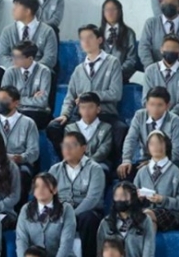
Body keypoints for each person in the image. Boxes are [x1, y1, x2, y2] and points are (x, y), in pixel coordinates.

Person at [50, 25, 126, 163]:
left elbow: (116, 93)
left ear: (99, 40)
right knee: (53, 127)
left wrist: (90, 96)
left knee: (121, 129)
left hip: (104, 113)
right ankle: (69, 161)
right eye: (82, 39)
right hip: (81, 114)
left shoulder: (112, 62)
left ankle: (111, 166)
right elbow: (70, 96)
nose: (86, 41)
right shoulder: (79, 69)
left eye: (90, 37)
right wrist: (65, 114)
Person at [49, 131, 106, 257]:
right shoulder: (55, 170)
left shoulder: (95, 169)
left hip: (85, 212)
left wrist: (71, 215)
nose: (67, 149)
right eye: (64, 145)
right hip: (61, 211)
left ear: (83, 148)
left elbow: (92, 199)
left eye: (72, 145)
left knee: (89, 219)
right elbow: (49, 194)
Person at [15, 172, 79, 257]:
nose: (40, 189)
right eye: (37, 186)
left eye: (45, 186)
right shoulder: (26, 210)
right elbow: (21, 241)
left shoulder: (66, 209)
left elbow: (66, 243)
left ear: (54, 190)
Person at [0, 86, 38, 201]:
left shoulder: (29, 123)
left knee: (23, 173)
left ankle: (17, 208)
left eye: (4, 99)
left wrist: (21, 158)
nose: (0, 103)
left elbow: (34, 152)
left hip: (18, 163)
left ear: (16, 103)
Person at [98, 181, 156, 257]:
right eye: (117, 196)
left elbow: (149, 252)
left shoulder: (145, 221)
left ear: (132, 198)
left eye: (124, 196)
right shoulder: (106, 223)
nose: (120, 199)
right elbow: (100, 254)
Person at [123, 85, 179, 171]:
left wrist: (154, 163)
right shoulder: (139, 116)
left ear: (167, 106)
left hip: (169, 162)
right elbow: (131, 139)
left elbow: (177, 153)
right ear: (146, 104)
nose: (155, 109)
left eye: (160, 105)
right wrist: (126, 160)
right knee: (125, 173)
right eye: (151, 104)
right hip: (144, 160)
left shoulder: (176, 122)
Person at [0, 0, 58, 78]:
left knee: (49, 75)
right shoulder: (7, 31)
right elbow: (2, 55)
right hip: (13, 70)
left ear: (27, 11)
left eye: (17, 6)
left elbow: (50, 58)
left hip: (38, 71)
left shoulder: (47, 31)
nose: (13, 10)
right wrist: (17, 68)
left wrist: (31, 69)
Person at [133, 131, 179, 231]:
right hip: (145, 212)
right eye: (152, 143)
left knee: (146, 215)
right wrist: (138, 199)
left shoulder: (175, 171)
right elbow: (133, 199)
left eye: (160, 143)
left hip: (169, 213)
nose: (156, 146)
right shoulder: (141, 172)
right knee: (148, 220)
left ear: (166, 145)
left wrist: (163, 199)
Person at [0, 41, 53, 129]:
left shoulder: (44, 72)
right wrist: (32, 99)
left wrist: (16, 100)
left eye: (18, 57)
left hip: (37, 112)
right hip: (15, 111)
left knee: (25, 120)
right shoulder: (10, 72)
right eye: (13, 56)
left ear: (30, 59)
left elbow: (42, 101)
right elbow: (4, 100)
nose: (14, 60)